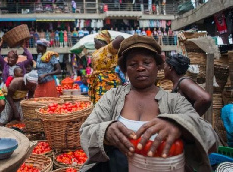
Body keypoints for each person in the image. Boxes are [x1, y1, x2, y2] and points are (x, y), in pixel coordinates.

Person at [80, 35, 218, 172]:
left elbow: (210, 137)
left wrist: (180, 125)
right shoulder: (112, 97)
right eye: (133, 64)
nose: (140, 68)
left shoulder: (174, 101)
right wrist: (105, 131)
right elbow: (86, 131)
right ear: (125, 69)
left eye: (146, 62)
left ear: (158, 66)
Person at [88, 30, 124, 104]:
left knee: (106, 106)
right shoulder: (97, 51)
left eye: (96, 41)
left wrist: (112, 40)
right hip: (98, 81)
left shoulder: (108, 49)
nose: (94, 43)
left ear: (101, 41)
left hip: (107, 81)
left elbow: (120, 38)